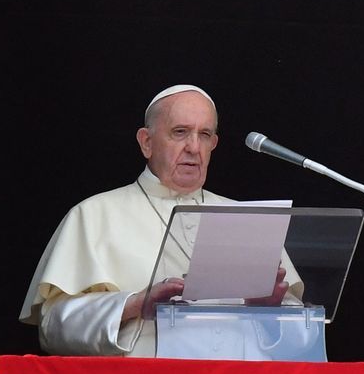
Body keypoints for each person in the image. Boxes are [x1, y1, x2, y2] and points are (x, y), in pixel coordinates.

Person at [19, 85, 314, 358]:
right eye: (180, 132)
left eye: (205, 135)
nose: (193, 147)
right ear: (147, 142)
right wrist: (134, 305)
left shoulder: (247, 219)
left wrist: (270, 313)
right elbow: (53, 326)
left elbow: (303, 338)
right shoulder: (94, 214)